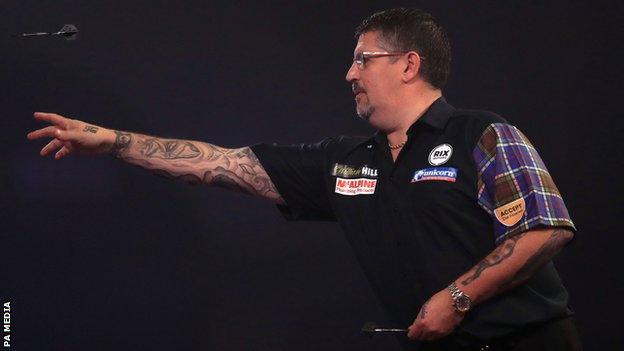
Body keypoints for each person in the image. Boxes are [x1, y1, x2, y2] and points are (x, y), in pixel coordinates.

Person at [27, 7, 581, 351]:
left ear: (409, 65)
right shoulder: (347, 161)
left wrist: (457, 299)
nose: (350, 74)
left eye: (363, 60)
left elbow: (545, 229)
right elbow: (221, 162)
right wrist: (114, 142)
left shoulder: (482, 133)